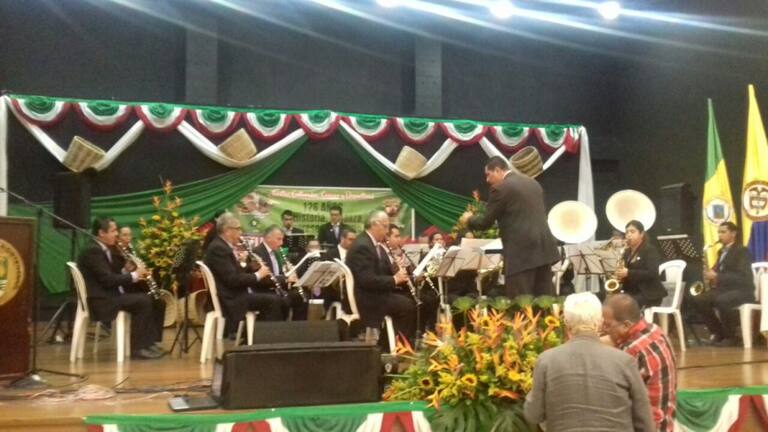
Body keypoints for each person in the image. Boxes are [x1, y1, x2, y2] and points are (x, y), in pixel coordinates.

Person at [524, 292, 654, 431]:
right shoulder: (625, 362)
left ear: (566, 323)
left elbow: (533, 415)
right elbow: (645, 422)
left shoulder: (546, 361)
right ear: (600, 323)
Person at [460, 156, 559, 298]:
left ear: (498, 170)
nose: (487, 180)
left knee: (521, 303)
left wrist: (468, 219)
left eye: (488, 174)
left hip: (521, 254)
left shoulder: (500, 189)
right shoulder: (533, 184)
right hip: (544, 251)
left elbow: (485, 222)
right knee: (545, 301)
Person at [78, 217, 164, 359]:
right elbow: (108, 280)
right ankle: (138, 348)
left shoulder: (100, 249)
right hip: (101, 301)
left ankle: (147, 343)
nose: (116, 234)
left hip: (107, 295)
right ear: (101, 233)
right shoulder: (93, 251)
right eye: (113, 231)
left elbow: (108, 275)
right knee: (143, 301)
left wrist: (125, 271)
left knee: (149, 298)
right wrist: (135, 275)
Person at [603, 294, 677, 432]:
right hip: (665, 423)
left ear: (626, 325)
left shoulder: (630, 352)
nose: (604, 330)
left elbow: (613, 397)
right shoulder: (655, 330)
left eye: (607, 325)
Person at [203, 213, 284, 328]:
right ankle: (265, 336)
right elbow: (232, 280)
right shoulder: (219, 248)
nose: (240, 233)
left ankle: (255, 334)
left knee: (272, 299)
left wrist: (248, 267)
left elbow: (232, 274)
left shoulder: (221, 246)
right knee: (273, 301)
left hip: (233, 294)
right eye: (238, 229)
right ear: (227, 231)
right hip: (230, 298)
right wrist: (258, 275)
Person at [346, 210, 415, 343]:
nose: (387, 231)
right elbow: (366, 280)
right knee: (407, 306)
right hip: (367, 298)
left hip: (373, 293)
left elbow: (378, 271)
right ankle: (392, 345)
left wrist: (394, 269)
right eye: (385, 226)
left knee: (407, 299)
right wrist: (395, 279)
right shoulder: (363, 246)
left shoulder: (370, 243)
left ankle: (389, 343)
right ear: (375, 225)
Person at [692, 221, 755, 346]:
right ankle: (718, 333)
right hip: (725, 289)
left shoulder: (742, 251)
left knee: (723, 300)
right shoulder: (721, 251)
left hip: (742, 290)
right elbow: (720, 271)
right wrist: (710, 274)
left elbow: (744, 277)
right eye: (718, 232)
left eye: (723, 232)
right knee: (700, 300)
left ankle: (731, 337)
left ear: (733, 233)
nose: (720, 235)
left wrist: (717, 276)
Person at [114, 225, 166, 349]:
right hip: (122, 289)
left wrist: (145, 272)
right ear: (118, 237)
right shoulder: (115, 252)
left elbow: (135, 270)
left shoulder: (130, 252)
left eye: (129, 235)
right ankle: (144, 343)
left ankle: (153, 340)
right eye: (124, 235)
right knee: (147, 301)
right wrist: (126, 270)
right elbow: (116, 274)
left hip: (134, 285)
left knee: (160, 301)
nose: (128, 238)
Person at [387, 224, 438, 333]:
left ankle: (423, 331)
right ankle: (411, 333)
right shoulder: (387, 254)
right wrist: (414, 278)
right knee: (418, 302)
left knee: (431, 299)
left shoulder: (401, 252)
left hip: (407, 288)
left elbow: (412, 271)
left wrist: (419, 274)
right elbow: (396, 275)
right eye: (396, 236)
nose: (399, 239)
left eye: (399, 236)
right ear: (387, 238)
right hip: (397, 290)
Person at [251, 225, 308, 321]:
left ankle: (298, 327)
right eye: (278, 239)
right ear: (268, 238)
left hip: (279, 289)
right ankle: (279, 327)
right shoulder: (256, 252)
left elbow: (280, 273)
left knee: (301, 297)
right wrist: (286, 279)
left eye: (282, 239)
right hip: (265, 290)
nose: (281, 243)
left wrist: (289, 272)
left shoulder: (277, 252)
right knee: (281, 300)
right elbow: (263, 279)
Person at [614, 220, 667, 309]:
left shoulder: (650, 250)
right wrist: (620, 276)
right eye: (627, 232)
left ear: (641, 234)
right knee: (610, 300)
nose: (629, 235)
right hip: (632, 291)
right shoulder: (626, 252)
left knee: (625, 304)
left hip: (649, 293)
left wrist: (628, 273)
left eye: (632, 232)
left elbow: (652, 273)